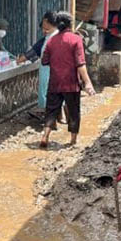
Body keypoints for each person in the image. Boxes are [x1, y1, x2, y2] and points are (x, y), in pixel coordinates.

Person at [40, 11, 95, 148]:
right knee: (73, 111)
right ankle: (73, 140)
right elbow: (80, 63)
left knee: (51, 110)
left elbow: (44, 61)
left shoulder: (51, 40)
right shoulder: (76, 39)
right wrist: (88, 83)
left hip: (55, 82)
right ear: (71, 24)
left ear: (57, 25)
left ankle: (45, 135)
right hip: (71, 83)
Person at [17, 12, 63, 120]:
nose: (44, 31)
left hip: (50, 72)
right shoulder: (56, 37)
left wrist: (20, 60)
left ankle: (51, 119)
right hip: (58, 72)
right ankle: (59, 116)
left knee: (48, 93)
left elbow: (32, 52)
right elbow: (34, 51)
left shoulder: (54, 38)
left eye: (46, 29)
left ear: (48, 22)